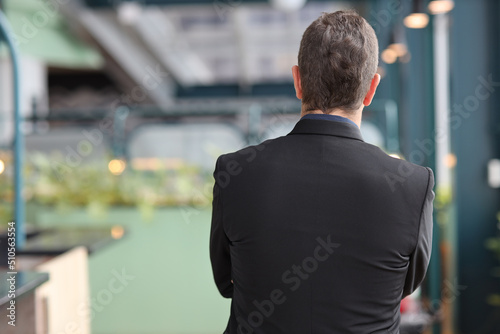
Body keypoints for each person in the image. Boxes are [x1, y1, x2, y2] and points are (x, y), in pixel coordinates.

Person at [210, 10, 434, 334]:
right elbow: (403, 285)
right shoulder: (413, 185)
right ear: (371, 89)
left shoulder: (235, 172)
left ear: (298, 81)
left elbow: (226, 281)